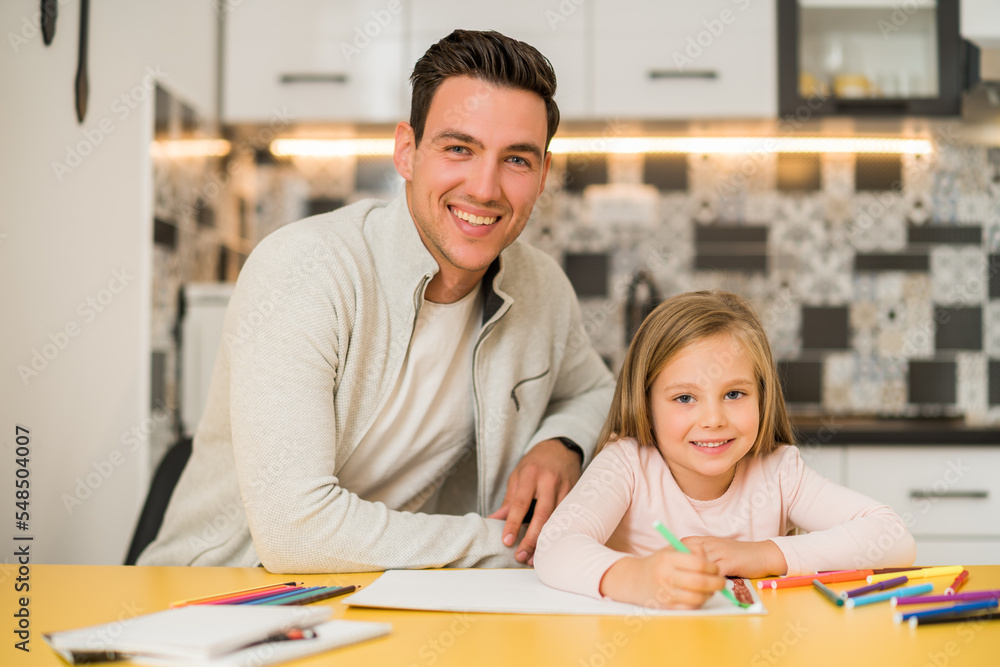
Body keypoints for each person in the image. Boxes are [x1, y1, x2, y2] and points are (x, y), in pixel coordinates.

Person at [138, 30, 614, 573]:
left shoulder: (541, 287)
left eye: (517, 160)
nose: (485, 188)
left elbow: (599, 391)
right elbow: (296, 534)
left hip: (393, 595)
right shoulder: (305, 271)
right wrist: (509, 547)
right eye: (459, 148)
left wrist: (562, 444)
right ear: (407, 152)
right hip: (222, 598)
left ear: (543, 174)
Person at [533, 290, 916, 609]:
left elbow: (893, 536)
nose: (713, 419)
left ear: (762, 396)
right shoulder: (627, 464)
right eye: (685, 398)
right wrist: (638, 578)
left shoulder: (778, 472)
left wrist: (761, 555)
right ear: (645, 404)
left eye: (734, 394)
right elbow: (555, 545)